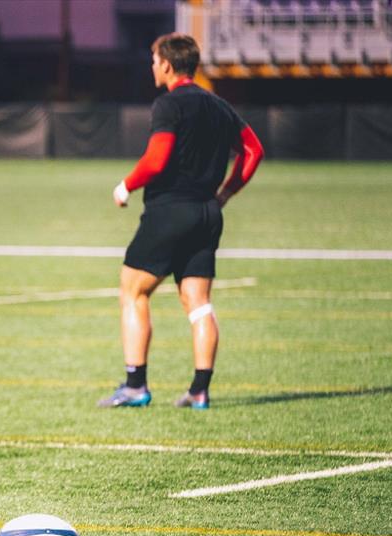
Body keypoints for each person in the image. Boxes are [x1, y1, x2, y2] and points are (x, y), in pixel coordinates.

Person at [98, 33, 264, 410]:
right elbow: (253, 150)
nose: (152, 67)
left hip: (170, 210)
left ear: (168, 65)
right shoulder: (219, 106)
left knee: (133, 292)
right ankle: (199, 391)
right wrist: (226, 193)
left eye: (155, 61)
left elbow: (156, 159)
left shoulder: (169, 104)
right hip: (207, 212)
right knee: (198, 303)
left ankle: (135, 385)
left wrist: (126, 186)